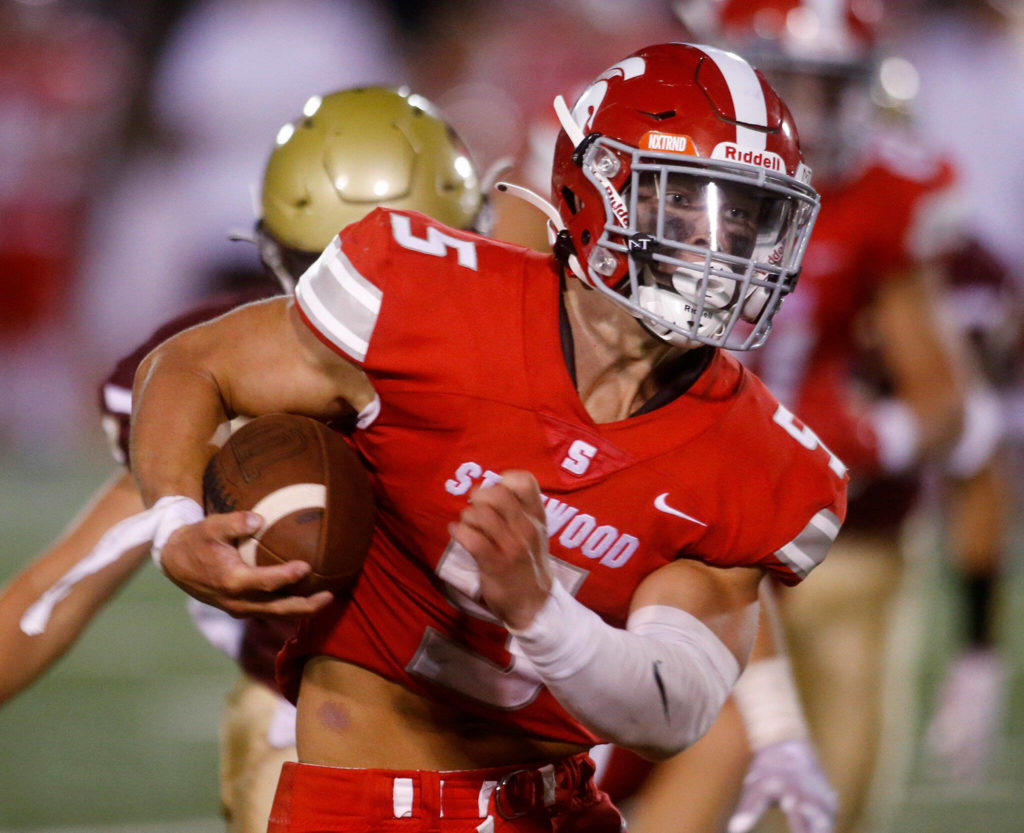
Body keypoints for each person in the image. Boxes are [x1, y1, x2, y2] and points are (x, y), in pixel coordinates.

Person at [127, 42, 848, 833]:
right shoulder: (425, 298)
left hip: (556, 808)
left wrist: (544, 615)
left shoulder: (757, 457)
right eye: (686, 204)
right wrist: (171, 523)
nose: (721, 248)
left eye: (746, 215)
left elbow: (670, 705)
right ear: (595, 188)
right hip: (363, 801)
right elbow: (192, 366)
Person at [0, 86, 488, 833]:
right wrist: (175, 515)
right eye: (342, 275)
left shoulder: (532, 357)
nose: (368, 309)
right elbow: (62, 587)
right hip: (308, 717)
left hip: (508, 718)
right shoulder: (222, 376)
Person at [622, 4, 996, 832]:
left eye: (831, 91)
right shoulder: (657, 172)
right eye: (789, 85)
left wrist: (859, 436)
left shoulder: (884, 196)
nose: (811, 116)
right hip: (664, 514)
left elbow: (959, 415)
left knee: (831, 796)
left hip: (815, 536)